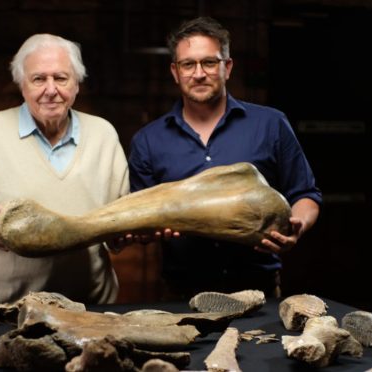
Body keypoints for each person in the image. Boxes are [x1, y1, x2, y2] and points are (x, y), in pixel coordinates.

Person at [128, 17, 322, 299]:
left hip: (260, 288)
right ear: (175, 71)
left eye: (209, 62)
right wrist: (145, 232)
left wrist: (298, 225)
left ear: (227, 67)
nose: (198, 73)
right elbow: (142, 216)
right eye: (188, 64)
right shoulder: (148, 140)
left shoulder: (271, 124)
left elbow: (306, 193)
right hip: (183, 294)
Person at [0, 34, 129, 305]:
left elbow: (117, 223)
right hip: (0, 314)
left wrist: (124, 235)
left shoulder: (103, 135)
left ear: (77, 84)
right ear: (22, 85)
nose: (51, 90)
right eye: (39, 79)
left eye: (61, 78)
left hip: (88, 312)